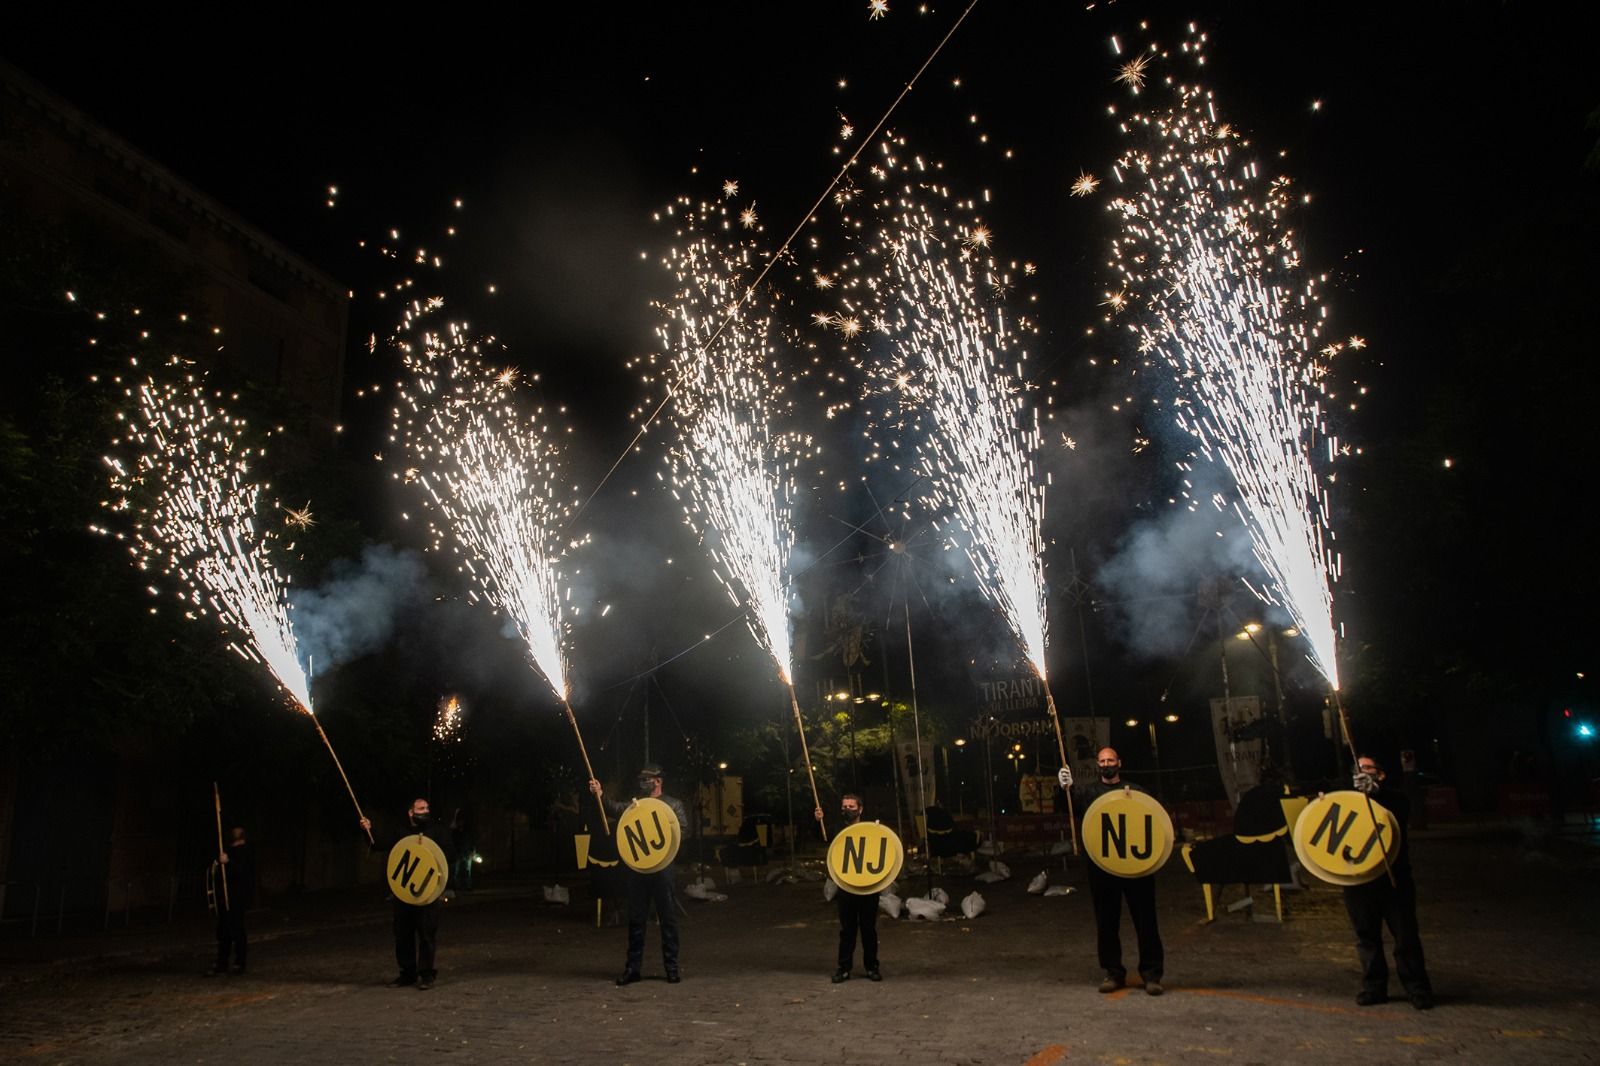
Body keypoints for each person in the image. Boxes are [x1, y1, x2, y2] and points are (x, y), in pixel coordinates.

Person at [1059, 748, 1165, 995]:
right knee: (1107, 923)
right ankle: (1113, 972)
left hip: (1137, 868)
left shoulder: (1137, 791)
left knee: (1147, 922)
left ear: (1120, 763)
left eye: (1111, 760)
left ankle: (1152, 975)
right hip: (1102, 868)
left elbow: (1153, 820)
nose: (1107, 764)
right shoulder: (1088, 793)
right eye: (1103, 761)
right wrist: (1065, 787)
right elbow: (1069, 806)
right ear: (1098, 764)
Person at [1344, 755, 1434, 1010]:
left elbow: (1396, 814)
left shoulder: (1396, 799)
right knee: (1367, 938)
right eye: (1357, 768)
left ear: (1380, 774)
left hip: (1394, 880)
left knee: (1405, 936)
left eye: (1368, 767)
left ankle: (1417, 988)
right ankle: (1374, 988)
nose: (1361, 771)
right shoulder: (1348, 799)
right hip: (1359, 882)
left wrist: (1376, 795)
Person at [590, 764, 689, 985]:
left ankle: (671, 968)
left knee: (668, 920)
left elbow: (683, 832)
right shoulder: (637, 806)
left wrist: (664, 850)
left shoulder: (673, 805)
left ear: (658, 781)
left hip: (663, 869)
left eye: (647, 779)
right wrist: (600, 794)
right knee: (636, 920)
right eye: (641, 779)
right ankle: (633, 969)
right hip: (639, 869)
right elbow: (615, 809)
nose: (643, 783)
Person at [360, 797, 454, 991]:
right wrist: (368, 829)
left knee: (427, 934)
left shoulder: (438, 831)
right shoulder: (401, 832)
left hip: (428, 893)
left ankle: (426, 974)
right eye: (421, 808)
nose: (425, 811)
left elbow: (450, 855)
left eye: (427, 808)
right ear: (411, 812)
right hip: (404, 894)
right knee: (403, 934)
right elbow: (379, 844)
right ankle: (407, 974)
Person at [815, 793, 882, 984]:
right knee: (848, 930)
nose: (847, 810)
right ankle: (844, 968)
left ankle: (872, 967)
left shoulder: (871, 829)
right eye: (844, 806)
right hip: (846, 887)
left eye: (852, 807)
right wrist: (818, 821)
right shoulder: (837, 829)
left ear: (860, 809)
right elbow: (823, 837)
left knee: (869, 929)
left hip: (869, 887)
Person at [208, 826, 254, 976]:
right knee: (223, 931)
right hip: (224, 896)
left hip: (237, 897)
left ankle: (240, 962)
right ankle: (222, 961)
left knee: (237, 930)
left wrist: (229, 863)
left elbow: (242, 872)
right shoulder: (227, 850)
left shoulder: (246, 851)